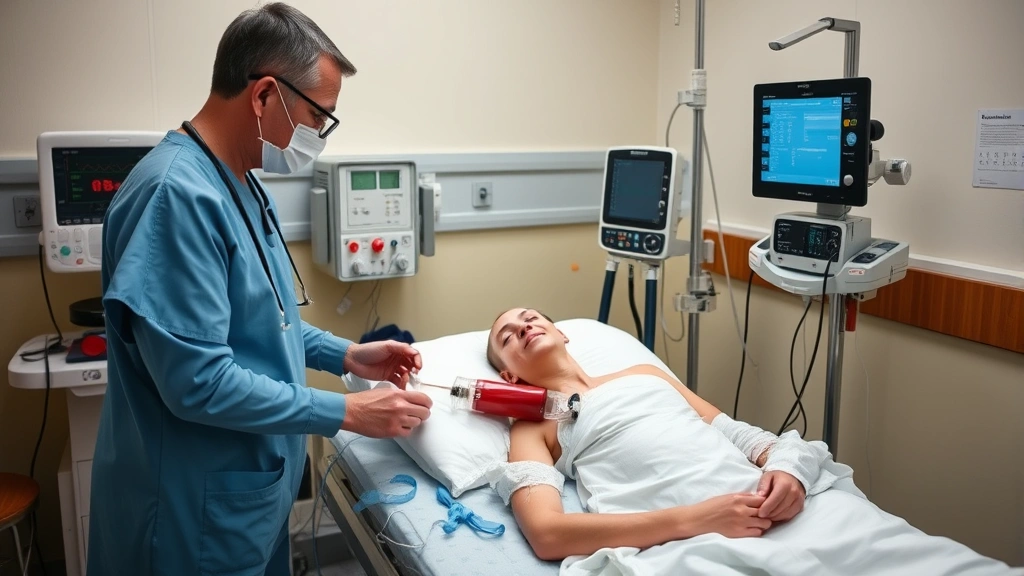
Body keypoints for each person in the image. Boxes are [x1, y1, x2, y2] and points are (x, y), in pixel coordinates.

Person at [87, 4, 433, 575]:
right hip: (189, 516)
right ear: (266, 95)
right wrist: (345, 411)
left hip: (245, 501)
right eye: (318, 116)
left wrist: (343, 353)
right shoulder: (175, 197)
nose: (318, 136)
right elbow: (198, 383)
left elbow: (265, 321)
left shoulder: (239, 181)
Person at [485, 308, 1022, 575]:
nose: (523, 324)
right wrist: (702, 519)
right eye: (506, 336)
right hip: (693, 543)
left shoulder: (644, 375)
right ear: (507, 376)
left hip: (781, 508)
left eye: (530, 315)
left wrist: (789, 471)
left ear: (565, 332)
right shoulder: (534, 426)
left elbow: (748, 439)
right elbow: (549, 534)